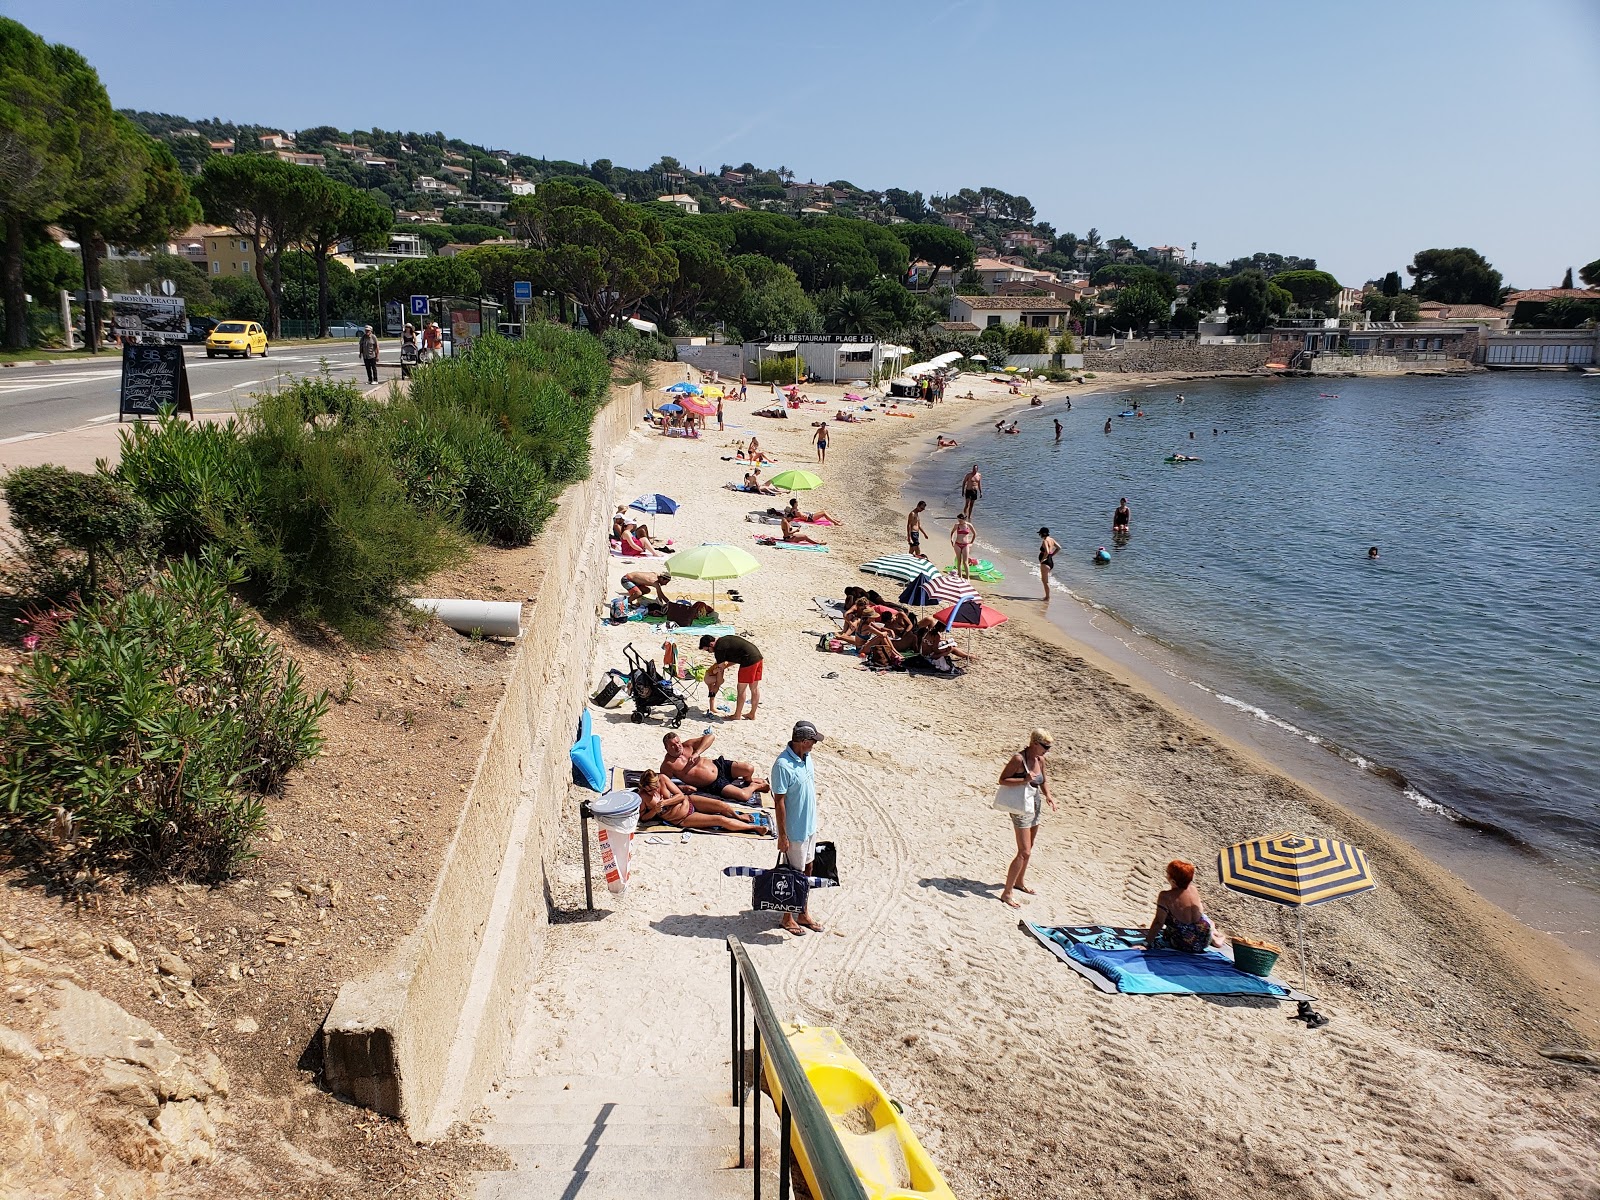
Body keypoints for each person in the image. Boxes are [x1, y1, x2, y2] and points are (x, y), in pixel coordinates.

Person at [772, 721, 827, 935]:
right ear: (803, 741)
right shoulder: (782, 765)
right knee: (793, 874)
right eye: (813, 741)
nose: (815, 745)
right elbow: (779, 802)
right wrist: (782, 835)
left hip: (809, 826)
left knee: (808, 869)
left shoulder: (807, 758)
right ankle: (787, 917)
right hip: (795, 831)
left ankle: (802, 912)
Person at [997, 730, 1056, 907]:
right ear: (1034, 743)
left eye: (1049, 747)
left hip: (1035, 803)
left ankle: (1019, 882)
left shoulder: (1040, 760)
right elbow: (1002, 780)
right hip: (1020, 805)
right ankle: (1007, 893)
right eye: (1045, 746)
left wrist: (1048, 795)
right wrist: (1024, 779)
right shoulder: (1018, 759)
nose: (1047, 750)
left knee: (1030, 847)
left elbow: (1043, 780)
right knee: (1024, 851)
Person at [637, 770, 767, 834]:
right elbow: (643, 818)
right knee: (719, 820)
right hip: (683, 817)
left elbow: (680, 796)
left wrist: (665, 802)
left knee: (721, 805)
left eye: (654, 788)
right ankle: (754, 828)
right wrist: (654, 810)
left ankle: (738, 816)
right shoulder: (643, 797)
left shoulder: (662, 779)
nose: (652, 792)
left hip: (689, 801)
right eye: (648, 790)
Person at [660, 731, 768, 803]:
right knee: (744, 796)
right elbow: (664, 784)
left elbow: (710, 737)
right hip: (714, 784)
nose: (677, 746)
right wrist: (682, 788)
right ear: (666, 748)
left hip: (719, 766)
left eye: (678, 742)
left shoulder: (688, 745)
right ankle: (754, 786)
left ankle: (749, 780)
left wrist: (697, 752)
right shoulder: (668, 765)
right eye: (673, 745)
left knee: (749, 768)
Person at [1143, 859, 1222, 952]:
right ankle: (1215, 938)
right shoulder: (1193, 889)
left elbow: (1158, 923)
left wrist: (1146, 943)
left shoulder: (1165, 896)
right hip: (1204, 941)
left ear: (1172, 879)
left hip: (1184, 943)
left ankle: (1214, 935)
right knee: (1202, 918)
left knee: (1167, 915)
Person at [699, 633, 762, 720]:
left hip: (748, 661)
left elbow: (720, 669)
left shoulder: (719, 649)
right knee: (754, 688)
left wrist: (719, 681)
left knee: (741, 689)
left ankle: (737, 715)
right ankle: (752, 714)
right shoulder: (724, 639)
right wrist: (725, 666)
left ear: (711, 644)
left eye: (708, 650)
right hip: (757, 656)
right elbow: (736, 658)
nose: (709, 652)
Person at [1037, 527, 1061, 600]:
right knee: (1045, 580)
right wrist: (1052, 555)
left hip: (1045, 563)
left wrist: (1043, 559)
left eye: (1040, 533)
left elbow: (1047, 551)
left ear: (1043, 534)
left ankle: (1047, 597)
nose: (1039, 535)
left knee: (1045, 581)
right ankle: (1047, 596)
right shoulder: (1051, 539)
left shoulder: (1045, 541)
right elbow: (1059, 548)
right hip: (1050, 561)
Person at [951, 514, 976, 579]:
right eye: (958, 520)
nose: (959, 521)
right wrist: (952, 540)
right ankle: (960, 576)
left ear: (964, 519)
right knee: (959, 561)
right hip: (957, 544)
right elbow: (952, 532)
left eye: (960, 520)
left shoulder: (969, 525)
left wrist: (971, 543)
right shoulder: (957, 525)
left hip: (965, 545)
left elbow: (974, 534)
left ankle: (968, 578)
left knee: (965, 562)